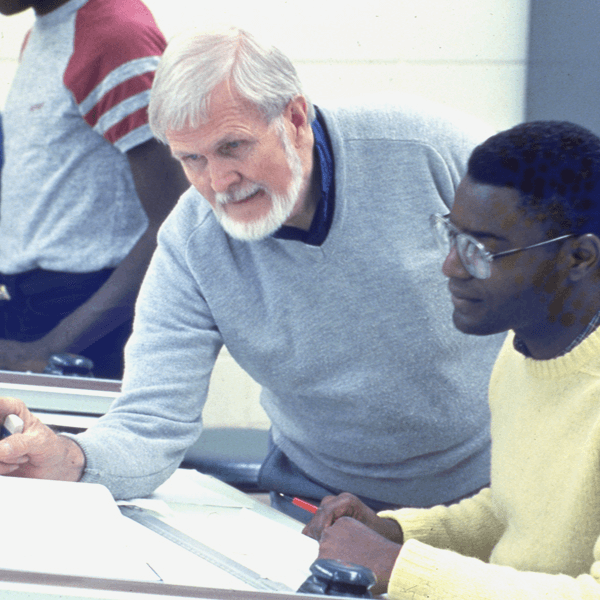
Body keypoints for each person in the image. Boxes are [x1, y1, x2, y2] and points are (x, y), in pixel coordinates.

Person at [0, 26, 503, 517]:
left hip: (489, 488)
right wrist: (68, 458)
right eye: (191, 159)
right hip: (324, 503)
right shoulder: (190, 243)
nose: (219, 182)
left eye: (232, 147)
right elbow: (150, 423)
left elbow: (564, 241)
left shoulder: (424, 148)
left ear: (296, 117)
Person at [303, 120, 600, 597]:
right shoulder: (522, 347)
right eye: (451, 235)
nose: (451, 266)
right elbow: (508, 515)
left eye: (480, 249)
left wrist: (397, 566)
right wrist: (395, 532)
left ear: (579, 258)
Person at [0, 0, 188, 378]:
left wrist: (52, 347)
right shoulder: (45, 31)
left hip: (85, 323)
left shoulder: (114, 35)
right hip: (31, 307)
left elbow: (180, 218)